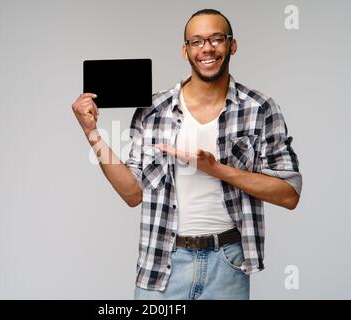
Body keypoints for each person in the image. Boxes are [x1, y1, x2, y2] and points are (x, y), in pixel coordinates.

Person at [71, 9, 302, 300]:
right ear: (185, 50)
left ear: (232, 45)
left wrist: (217, 169)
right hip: (163, 262)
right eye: (197, 41)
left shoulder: (260, 108)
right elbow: (132, 194)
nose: (207, 48)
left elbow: (289, 194)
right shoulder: (153, 110)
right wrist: (91, 131)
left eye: (217, 39)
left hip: (228, 264)